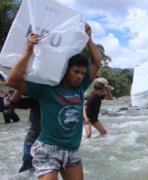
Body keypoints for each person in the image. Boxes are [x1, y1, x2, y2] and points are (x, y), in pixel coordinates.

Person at [5, 23, 101, 179]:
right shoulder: (46, 88)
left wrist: (89, 38)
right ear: (65, 70)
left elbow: (97, 63)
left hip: (72, 152)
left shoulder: (80, 87)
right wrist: (28, 50)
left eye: (82, 73)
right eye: (75, 71)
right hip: (47, 150)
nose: (79, 76)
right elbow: (12, 81)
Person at [8, 90, 40, 173]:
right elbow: (14, 103)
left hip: (51, 138)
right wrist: (19, 90)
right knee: (28, 160)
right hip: (34, 136)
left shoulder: (58, 97)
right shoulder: (35, 98)